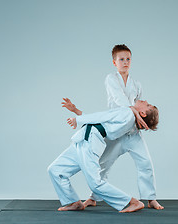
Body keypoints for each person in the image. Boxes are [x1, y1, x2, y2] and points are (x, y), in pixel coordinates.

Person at [64, 44, 164, 209]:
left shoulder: (136, 84)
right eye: (121, 59)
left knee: (146, 162)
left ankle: (150, 198)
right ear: (114, 62)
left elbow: (140, 106)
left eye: (128, 59)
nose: (125, 62)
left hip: (132, 131)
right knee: (104, 163)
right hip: (115, 130)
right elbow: (120, 100)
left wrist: (139, 117)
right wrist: (133, 111)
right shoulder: (111, 79)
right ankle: (93, 197)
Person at [48, 99, 159, 213]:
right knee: (56, 170)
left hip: (90, 142)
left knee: (95, 184)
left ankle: (132, 202)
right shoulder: (129, 116)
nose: (144, 100)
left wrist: (78, 118)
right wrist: (76, 111)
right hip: (83, 139)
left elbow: (101, 117)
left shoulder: (128, 114)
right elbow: (100, 120)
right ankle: (73, 202)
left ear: (143, 113)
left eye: (147, 105)